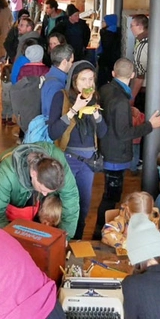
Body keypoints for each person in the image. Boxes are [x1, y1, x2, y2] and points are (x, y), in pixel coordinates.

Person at [95, 58, 160, 240]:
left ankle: (102, 231)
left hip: (106, 148)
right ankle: (100, 233)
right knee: (111, 197)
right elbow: (124, 133)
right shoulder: (121, 101)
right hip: (116, 155)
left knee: (110, 194)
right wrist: (150, 125)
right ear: (133, 75)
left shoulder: (105, 89)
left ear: (113, 73)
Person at [48, 62, 107, 239]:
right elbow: (53, 133)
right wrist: (74, 110)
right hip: (67, 158)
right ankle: (59, 242)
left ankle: (76, 241)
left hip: (88, 161)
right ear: (74, 81)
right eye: (83, 79)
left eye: (91, 79)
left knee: (84, 205)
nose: (88, 84)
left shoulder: (95, 98)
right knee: (64, 204)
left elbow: (103, 132)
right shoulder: (62, 97)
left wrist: (97, 116)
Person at [0, 142, 80, 239]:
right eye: (43, 189)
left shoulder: (57, 162)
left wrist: (64, 238)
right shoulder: (7, 173)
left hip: (27, 195)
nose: (45, 194)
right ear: (33, 173)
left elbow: (71, 197)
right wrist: (15, 243)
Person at [41, 44, 75, 118]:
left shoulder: (49, 76)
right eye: (71, 62)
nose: (72, 65)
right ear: (64, 62)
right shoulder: (56, 85)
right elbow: (53, 113)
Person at [97, 14, 121, 89]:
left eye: (104, 21)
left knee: (103, 79)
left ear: (108, 22)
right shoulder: (117, 32)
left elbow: (105, 49)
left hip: (106, 61)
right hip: (114, 60)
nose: (102, 23)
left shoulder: (106, 34)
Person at [129, 14, 149, 108]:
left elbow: (140, 76)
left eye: (132, 26)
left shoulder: (143, 45)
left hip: (143, 91)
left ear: (140, 26)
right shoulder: (148, 40)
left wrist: (132, 97)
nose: (130, 28)